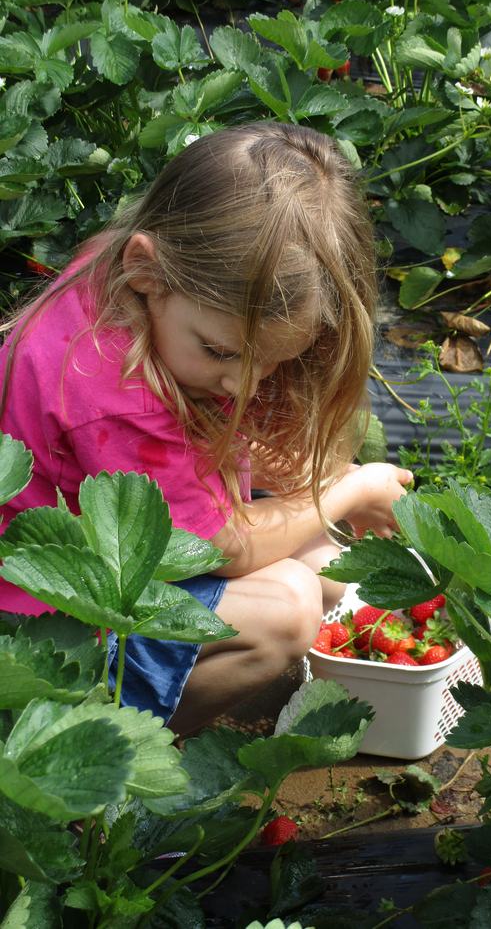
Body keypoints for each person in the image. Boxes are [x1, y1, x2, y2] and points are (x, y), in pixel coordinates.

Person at [0, 122, 413, 735]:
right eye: (221, 353)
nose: (246, 384)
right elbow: (227, 548)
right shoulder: (114, 397)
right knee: (289, 610)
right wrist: (350, 488)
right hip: (47, 625)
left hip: (108, 551)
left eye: (272, 359)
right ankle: (111, 759)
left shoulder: (128, 279)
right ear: (149, 270)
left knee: (328, 564)